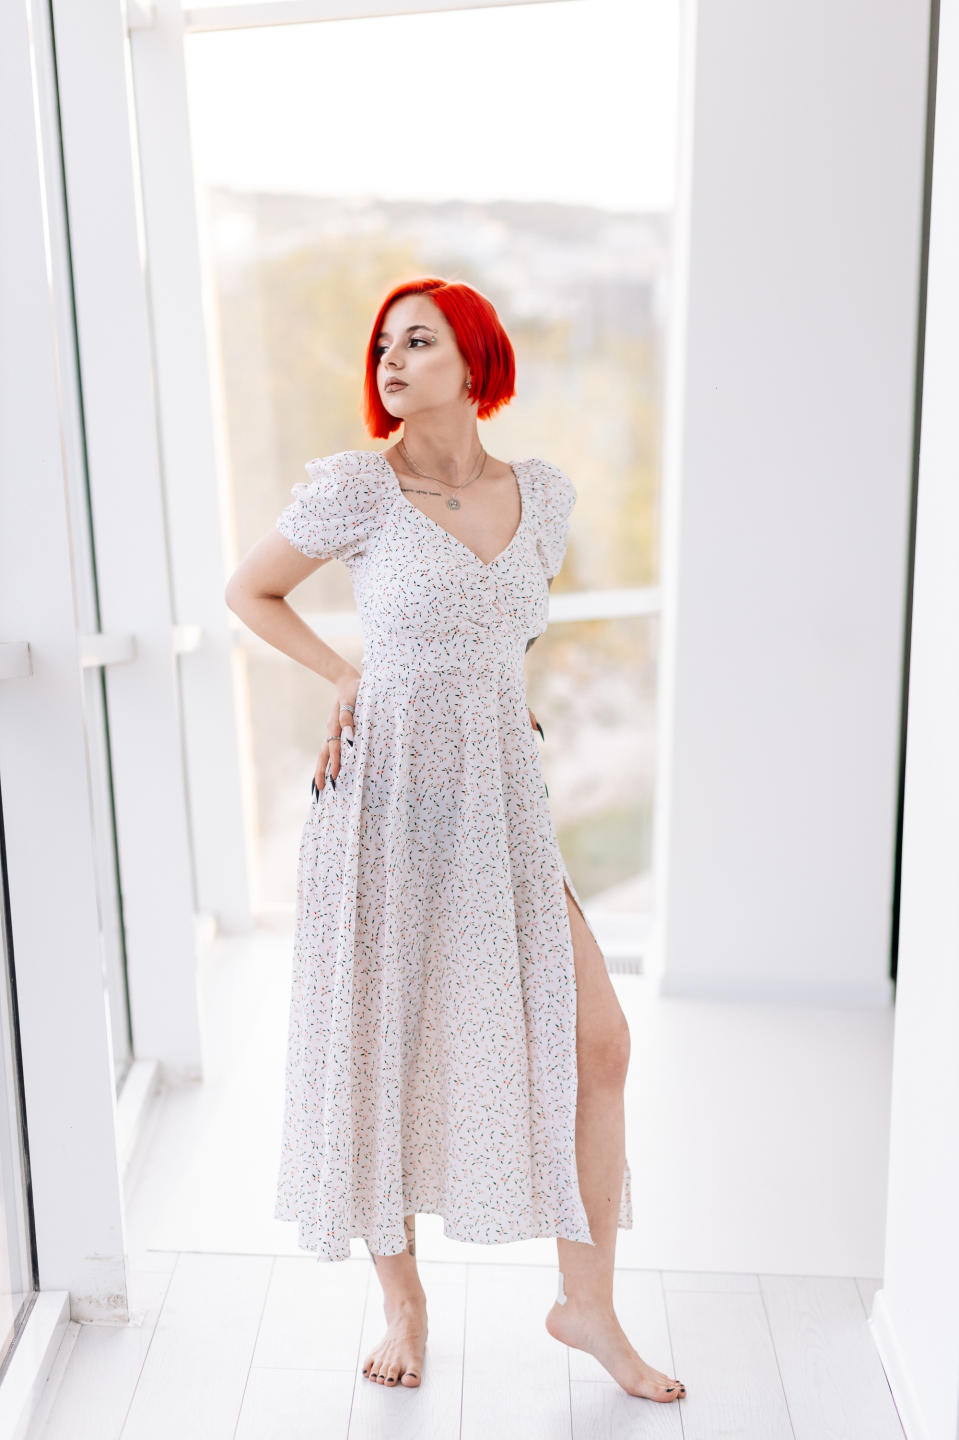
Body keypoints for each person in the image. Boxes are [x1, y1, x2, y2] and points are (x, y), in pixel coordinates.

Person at [225, 277, 686, 1404]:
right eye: (381, 345)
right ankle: (404, 1303)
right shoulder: (356, 490)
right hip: (383, 803)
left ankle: (585, 1306)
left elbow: (500, 632)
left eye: (417, 341)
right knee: (382, 1050)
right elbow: (250, 592)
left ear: (474, 361)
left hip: (500, 807)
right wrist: (345, 677)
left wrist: (492, 701)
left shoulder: (542, 494)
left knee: (599, 1043)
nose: (389, 360)